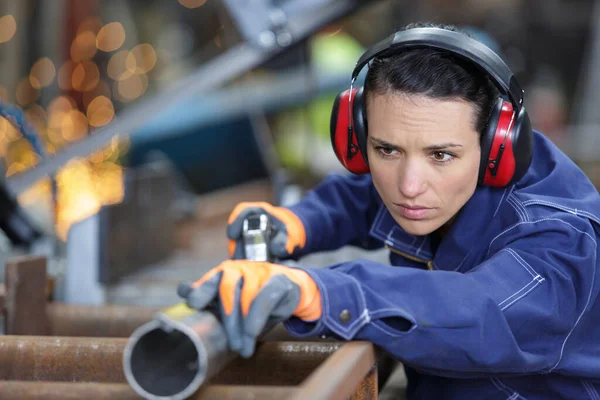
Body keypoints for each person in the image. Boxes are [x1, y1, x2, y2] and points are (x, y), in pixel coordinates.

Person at [178, 23, 600, 399]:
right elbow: (359, 196)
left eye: (440, 155)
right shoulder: (432, 185)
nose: (409, 187)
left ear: (496, 148)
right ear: (357, 138)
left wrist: (319, 291)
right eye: (386, 149)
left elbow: (478, 309)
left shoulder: (562, 243)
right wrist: (296, 223)